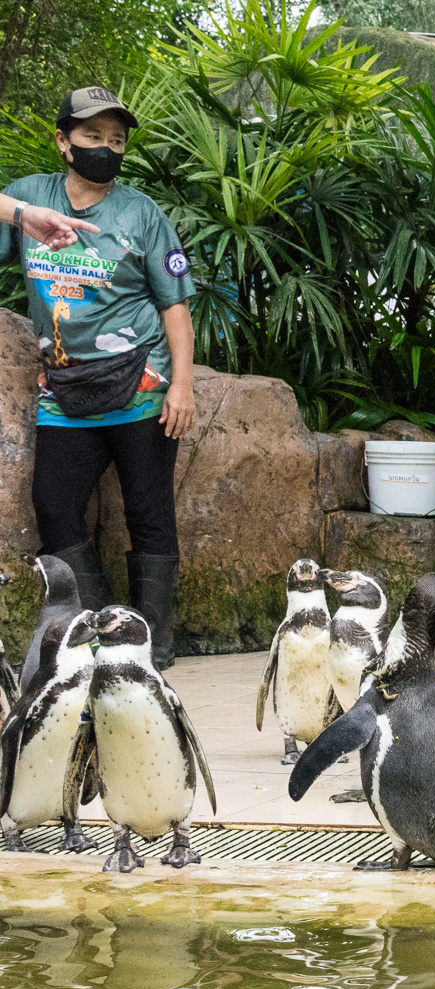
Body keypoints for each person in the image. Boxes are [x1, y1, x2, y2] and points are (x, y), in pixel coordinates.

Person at [3, 87, 196, 668]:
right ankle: (108, 629)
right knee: (54, 504)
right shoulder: (32, 197)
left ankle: (152, 648)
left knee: (148, 512)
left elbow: (175, 306)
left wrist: (182, 386)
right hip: (62, 390)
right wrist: (19, 214)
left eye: (116, 140)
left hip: (141, 386)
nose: (105, 149)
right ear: (63, 142)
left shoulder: (141, 213)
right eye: (91, 137)